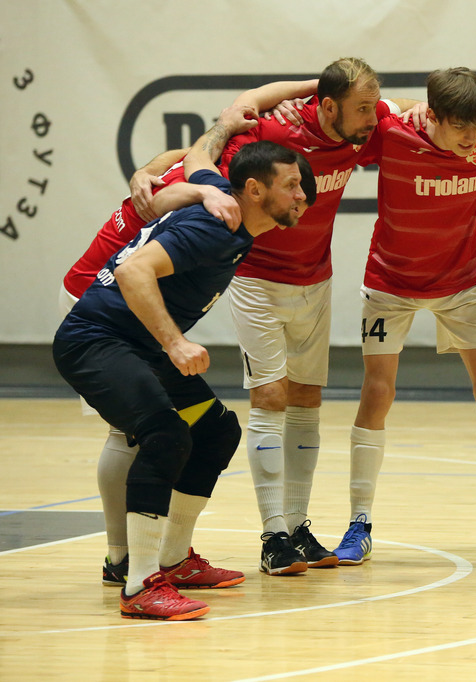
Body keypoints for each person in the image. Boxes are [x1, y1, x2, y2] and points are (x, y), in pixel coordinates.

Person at [58, 80, 319, 585]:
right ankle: (138, 580)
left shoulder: (224, 200)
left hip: (137, 345)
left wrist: (207, 163)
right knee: (164, 435)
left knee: (216, 431)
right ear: (255, 190)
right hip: (98, 342)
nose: (302, 195)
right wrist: (176, 343)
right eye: (291, 185)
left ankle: (173, 560)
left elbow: (199, 155)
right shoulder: (213, 228)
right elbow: (133, 271)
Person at [330, 67, 476, 565]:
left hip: (463, 283)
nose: (471, 139)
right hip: (390, 284)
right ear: (432, 117)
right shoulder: (390, 133)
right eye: (459, 128)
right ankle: (358, 524)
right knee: (377, 393)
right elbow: (342, 123)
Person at [217, 58, 420, 575]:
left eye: (373, 108)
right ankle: (272, 537)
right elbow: (209, 149)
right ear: (328, 106)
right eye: (362, 109)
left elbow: (408, 112)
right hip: (257, 280)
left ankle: (297, 526)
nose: (372, 119)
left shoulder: (359, 132)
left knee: (307, 397)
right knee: (269, 395)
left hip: (316, 280)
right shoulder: (273, 132)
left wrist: (420, 111)